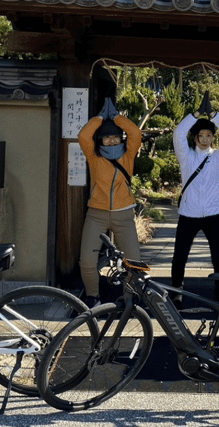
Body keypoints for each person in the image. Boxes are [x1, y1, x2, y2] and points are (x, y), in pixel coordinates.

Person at [171, 92, 219, 305]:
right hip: (188, 214)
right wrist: (196, 114)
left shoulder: (218, 157)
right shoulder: (186, 156)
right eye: (202, 135)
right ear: (195, 137)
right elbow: (178, 134)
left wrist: (214, 115)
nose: (205, 139)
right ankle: (176, 290)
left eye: (209, 135)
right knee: (180, 256)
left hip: (213, 214)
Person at [78, 98, 143, 308]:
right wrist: (99, 118)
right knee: (87, 260)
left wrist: (116, 118)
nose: (112, 140)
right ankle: (93, 297)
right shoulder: (94, 156)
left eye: (115, 136)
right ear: (100, 141)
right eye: (107, 138)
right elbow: (83, 135)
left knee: (134, 262)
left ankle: (129, 297)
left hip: (124, 215)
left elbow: (135, 133)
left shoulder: (128, 155)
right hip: (96, 213)